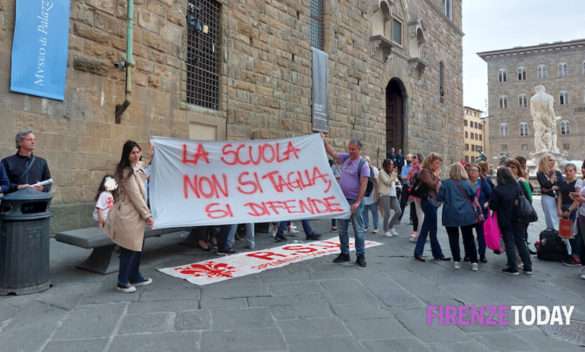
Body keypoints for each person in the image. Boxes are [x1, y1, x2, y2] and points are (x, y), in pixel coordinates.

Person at [105, 140, 154, 293]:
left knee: (138, 247)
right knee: (129, 248)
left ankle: (135, 276)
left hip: (136, 215)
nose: (136, 155)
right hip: (128, 215)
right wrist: (147, 215)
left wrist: (154, 153)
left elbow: (147, 167)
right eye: (133, 152)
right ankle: (122, 281)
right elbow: (136, 196)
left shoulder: (138, 167)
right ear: (127, 154)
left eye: (138, 152)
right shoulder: (126, 171)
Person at [323, 135, 369, 267]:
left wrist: (358, 202)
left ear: (359, 149)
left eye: (353, 149)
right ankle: (345, 253)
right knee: (342, 229)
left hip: (355, 201)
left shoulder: (363, 165)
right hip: (342, 200)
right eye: (349, 149)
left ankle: (361, 256)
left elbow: (363, 185)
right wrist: (324, 141)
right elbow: (333, 153)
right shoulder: (346, 158)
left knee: (358, 230)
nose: (350, 151)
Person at [489, 167, 533, 276]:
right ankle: (528, 267)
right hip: (519, 218)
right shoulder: (517, 186)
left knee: (509, 243)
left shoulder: (498, 189)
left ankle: (513, 267)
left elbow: (493, 206)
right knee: (520, 241)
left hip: (505, 219)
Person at [438, 163, 479, 271]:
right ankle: (474, 261)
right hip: (466, 213)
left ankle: (456, 261)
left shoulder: (445, 184)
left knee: (453, 238)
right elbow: (473, 195)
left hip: (450, 213)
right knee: (469, 238)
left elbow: (440, 198)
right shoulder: (467, 183)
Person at [413, 153, 450, 262]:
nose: (438, 166)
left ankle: (435, 253)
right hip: (428, 202)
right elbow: (432, 185)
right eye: (436, 163)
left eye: (439, 163)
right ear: (430, 162)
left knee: (432, 229)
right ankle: (421, 253)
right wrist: (437, 176)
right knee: (427, 229)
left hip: (431, 203)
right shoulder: (425, 172)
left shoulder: (429, 172)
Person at [1, 129, 51, 193]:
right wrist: (17, 187)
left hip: (37, 200)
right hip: (15, 201)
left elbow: (48, 182)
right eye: (29, 139)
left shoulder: (42, 162)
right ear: (20, 142)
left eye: (34, 139)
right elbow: (3, 184)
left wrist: (43, 188)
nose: (33, 142)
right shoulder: (7, 162)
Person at [506, 159, 536, 255]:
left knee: (520, 237)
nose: (511, 169)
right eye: (509, 167)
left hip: (520, 214)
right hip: (509, 214)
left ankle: (522, 259)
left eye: (513, 167)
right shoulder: (506, 181)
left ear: (518, 169)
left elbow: (529, 197)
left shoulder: (521, 181)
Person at [557, 163, 581, 266]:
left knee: (572, 233)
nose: (568, 173)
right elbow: (560, 197)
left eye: (571, 170)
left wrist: (570, 210)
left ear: (575, 171)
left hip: (573, 209)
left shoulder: (578, 183)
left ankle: (574, 257)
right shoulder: (563, 182)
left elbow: (577, 199)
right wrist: (558, 209)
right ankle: (567, 254)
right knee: (564, 233)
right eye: (566, 171)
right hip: (563, 209)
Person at [468, 164, 491, 263]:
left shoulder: (483, 183)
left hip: (481, 212)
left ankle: (482, 255)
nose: (473, 172)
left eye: (475, 170)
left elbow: (491, 195)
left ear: (479, 173)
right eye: (471, 170)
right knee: (468, 235)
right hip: (468, 212)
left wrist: (487, 203)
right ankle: (468, 254)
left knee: (481, 235)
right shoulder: (465, 183)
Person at [537, 154, 564, 231]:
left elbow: (561, 185)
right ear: (545, 161)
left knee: (559, 217)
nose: (553, 161)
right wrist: (552, 181)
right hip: (548, 198)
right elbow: (545, 185)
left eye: (553, 160)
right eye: (550, 160)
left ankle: (561, 236)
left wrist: (550, 188)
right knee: (550, 218)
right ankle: (553, 235)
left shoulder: (557, 172)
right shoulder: (540, 173)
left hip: (558, 198)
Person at [378, 159, 401, 237]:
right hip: (385, 194)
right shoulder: (381, 172)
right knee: (387, 213)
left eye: (392, 164)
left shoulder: (392, 173)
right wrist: (394, 175)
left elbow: (396, 181)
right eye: (391, 164)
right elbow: (387, 182)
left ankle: (390, 226)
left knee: (398, 211)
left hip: (393, 195)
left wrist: (398, 182)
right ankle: (386, 230)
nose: (392, 166)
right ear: (386, 166)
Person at [407, 153, 424, 242]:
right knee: (417, 214)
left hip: (418, 194)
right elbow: (409, 180)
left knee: (420, 215)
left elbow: (419, 181)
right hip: (414, 193)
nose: (413, 159)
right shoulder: (413, 168)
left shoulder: (419, 168)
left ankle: (420, 234)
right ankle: (420, 233)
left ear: (419, 159)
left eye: (415, 158)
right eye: (412, 158)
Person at [362, 156, 379, 234]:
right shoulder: (361, 170)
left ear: (370, 162)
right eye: (365, 161)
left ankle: (375, 227)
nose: (366, 162)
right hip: (364, 195)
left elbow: (376, 182)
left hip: (372, 194)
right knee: (364, 212)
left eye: (367, 161)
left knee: (374, 212)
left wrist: (377, 194)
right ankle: (365, 226)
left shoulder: (374, 170)